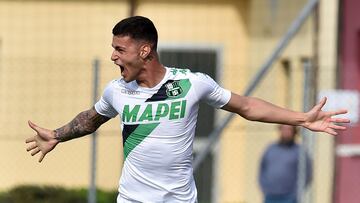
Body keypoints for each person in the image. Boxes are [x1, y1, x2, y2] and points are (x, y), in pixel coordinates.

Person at [25, 16, 349, 203]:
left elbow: (247, 105)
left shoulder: (193, 84)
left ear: (145, 50)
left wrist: (302, 118)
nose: (113, 56)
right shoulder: (116, 90)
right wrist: (56, 135)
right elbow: (91, 118)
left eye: (119, 49)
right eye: (112, 49)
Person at [258, 125, 312, 203]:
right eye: (284, 129)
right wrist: (264, 188)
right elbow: (262, 169)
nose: (286, 132)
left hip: (290, 197)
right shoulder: (270, 148)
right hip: (270, 196)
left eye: (289, 129)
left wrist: (296, 192)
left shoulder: (299, 151)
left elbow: (307, 174)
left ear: (294, 132)